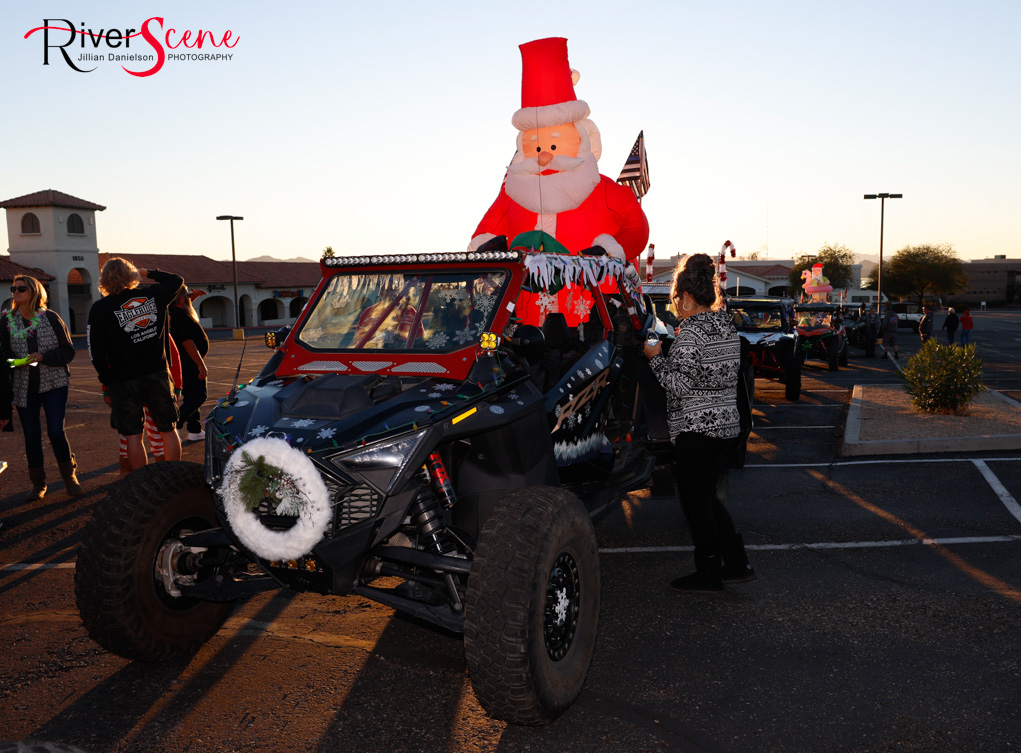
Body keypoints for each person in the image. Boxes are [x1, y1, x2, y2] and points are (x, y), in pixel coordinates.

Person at [469, 37, 649, 326]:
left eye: (553, 146)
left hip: (592, 318)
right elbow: (485, 233)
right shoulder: (511, 193)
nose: (543, 156)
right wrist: (487, 249)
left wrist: (611, 248)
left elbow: (635, 225)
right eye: (535, 146)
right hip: (522, 318)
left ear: (580, 139)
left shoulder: (603, 190)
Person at [643, 253, 752, 593]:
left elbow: (679, 385)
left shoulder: (690, 333)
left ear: (687, 297)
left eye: (675, 299)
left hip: (696, 430)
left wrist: (655, 358)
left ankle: (710, 573)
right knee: (706, 498)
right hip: (724, 427)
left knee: (696, 503)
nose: (674, 305)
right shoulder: (725, 325)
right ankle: (736, 564)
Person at [88, 258, 184, 471]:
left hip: (122, 380)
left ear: (103, 280)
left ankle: (141, 481)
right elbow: (177, 280)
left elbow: (95, 351)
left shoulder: (100, 308)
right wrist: (147, 271)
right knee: (168, 429)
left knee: (133, 434)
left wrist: (106, 380)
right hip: (157, 374)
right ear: (132, 276)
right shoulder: (153, 295)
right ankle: (174, 477)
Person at [0, 275, 81, 498]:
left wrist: (43, 356)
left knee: (56, 431)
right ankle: (38, 483)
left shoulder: (51, 318)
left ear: (34, 293)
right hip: (23, 385)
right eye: (13, 288)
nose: (15, 292)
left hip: (54, 382)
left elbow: (68, 351)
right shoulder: (6, 320)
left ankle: (69, 476)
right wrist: (18, 362)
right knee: (31, 435)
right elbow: (4, 357)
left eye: (21, 289)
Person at [170, 287, 210, 441]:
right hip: (190, 361)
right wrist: (201, 364)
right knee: (199, 395)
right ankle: (176, 424)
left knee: (190, 396)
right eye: (186, 295)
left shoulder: (174, 311)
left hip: (183, 362)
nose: (189, 297)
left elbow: (184, 302)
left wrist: (195, 295)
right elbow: (188, 343)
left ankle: (194, 430)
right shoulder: (182, 317)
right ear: (181, 298)